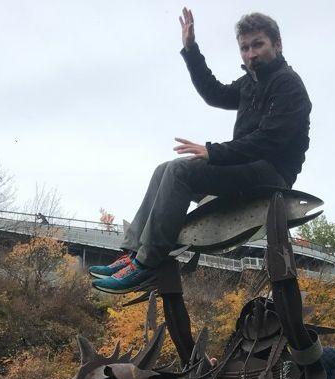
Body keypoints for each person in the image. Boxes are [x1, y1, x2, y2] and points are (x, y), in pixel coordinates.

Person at [90, 7, 311, 293]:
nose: (251, 54)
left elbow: (268, 141)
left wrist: (213, 152)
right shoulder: (251, 82)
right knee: (165, 170)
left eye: (258, 45)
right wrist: (191, 49)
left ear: (277, 44)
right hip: (245, 167)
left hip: (271, 175)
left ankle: (148, 264)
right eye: (244, 48)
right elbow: (214, 93)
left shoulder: (288, 85)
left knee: (181, 171)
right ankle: (134, 253)